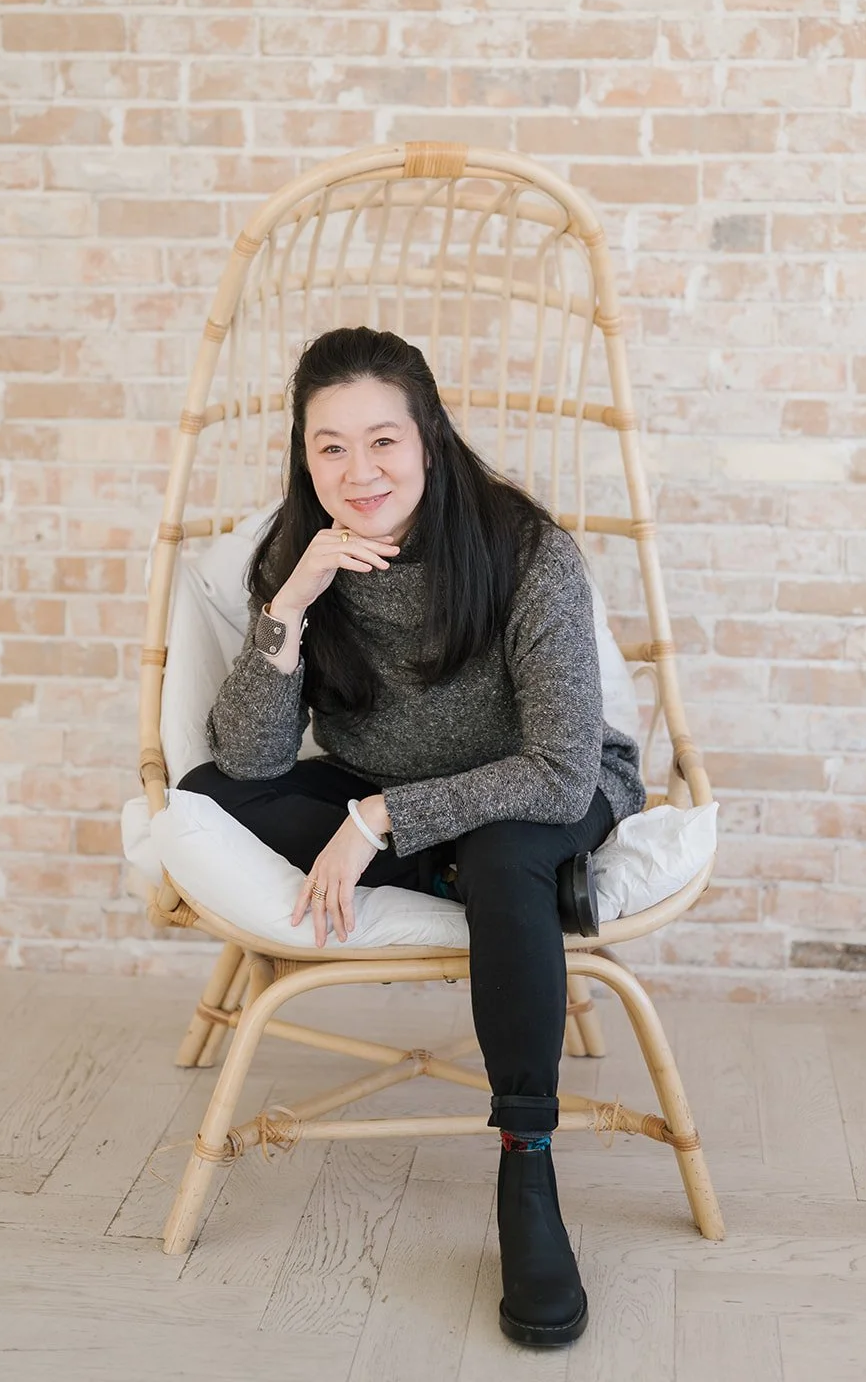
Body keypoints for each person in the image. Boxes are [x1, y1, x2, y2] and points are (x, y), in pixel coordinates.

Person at [179, 325, 646, 1348]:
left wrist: (376, 820)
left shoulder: (525, 550)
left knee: (504, 848)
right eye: (330, 446)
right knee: (208, 789)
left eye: (382, 440)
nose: (359, 470)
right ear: (303, 458)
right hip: (389, 783)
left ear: (428, 436)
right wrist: (290, 604)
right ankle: (479, 878)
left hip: (545, 782)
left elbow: (560, 764)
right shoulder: (297, 560)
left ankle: (526, 1161)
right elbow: (251, 764)